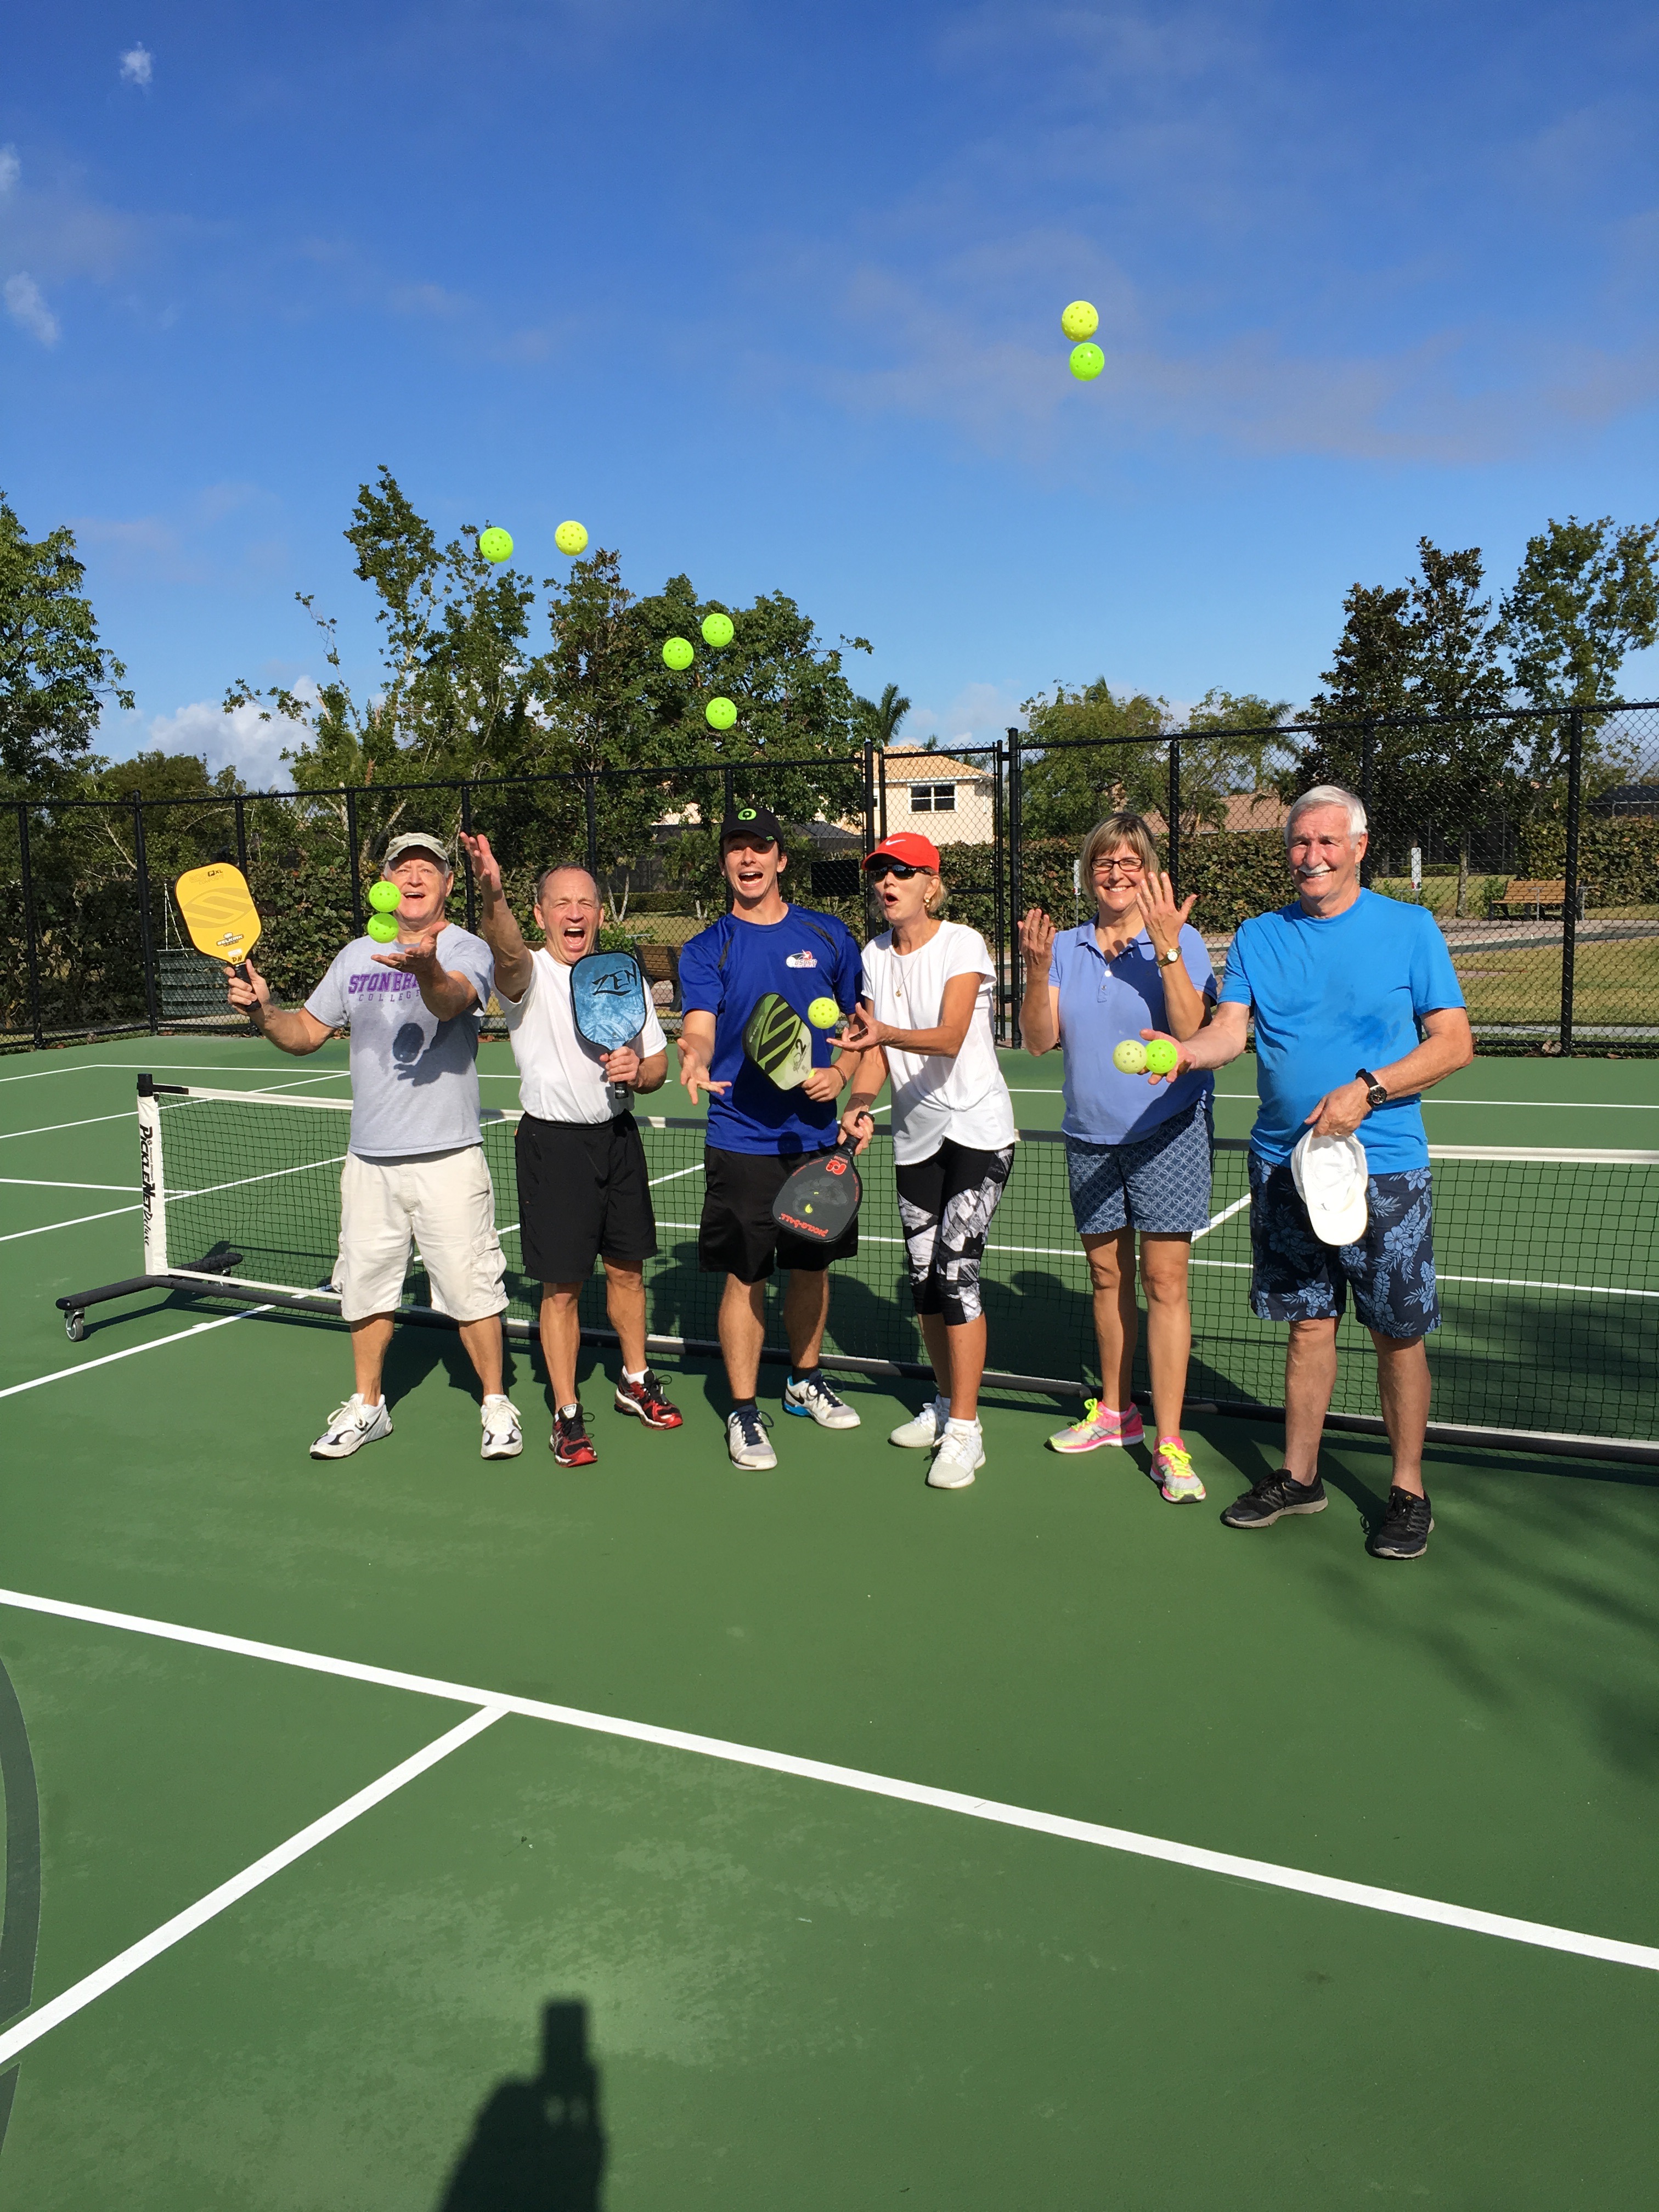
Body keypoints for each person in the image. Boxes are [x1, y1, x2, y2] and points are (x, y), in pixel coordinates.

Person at [1142, 785, 1473, 1560]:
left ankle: (1408, 1488)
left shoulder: (1411, 928)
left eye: (1328, 842)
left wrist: (1371, 1089)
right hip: (1281, 1167)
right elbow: (1226, 1032)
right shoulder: (1259, 936)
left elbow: (1454, 1043)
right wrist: (1184, 1054)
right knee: (1307, 1327)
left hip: (1382, 1169)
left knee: (1397, 1333)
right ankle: (1299, 1476)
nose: (1311, 856)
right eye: (1299, 843)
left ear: (1360, 846)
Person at [225, 831, 520, 1462]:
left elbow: (453, 1002)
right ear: (385, 881)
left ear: (446, 884)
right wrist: (262, 1011)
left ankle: (496, 1404)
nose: (414, 877)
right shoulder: (356, 954)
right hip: (369, 1161)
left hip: (448, 1156)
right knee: (366, 1288)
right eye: (402, 867)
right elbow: (305, 1033)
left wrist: (426, 968)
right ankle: (367, 1406)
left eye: (428, 869)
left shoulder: (464, 947)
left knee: (471, 1289)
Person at [459, 832, 682, 1467]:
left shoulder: (622, 975)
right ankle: (566, 1411)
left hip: (617, 1138)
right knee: (561, 1288)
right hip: (553, 1145)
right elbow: (502, 950)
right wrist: (492, 889)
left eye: (586, 902)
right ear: (541, 914)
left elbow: (659, 1063)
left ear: (601, 914)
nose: (575, 913)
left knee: (628, 1271)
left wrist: (638, 1070)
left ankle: (634, 1382)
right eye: (561, 903)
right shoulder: (524, 974)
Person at [1017, 812, 1216, 1501]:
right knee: (1108, 1281)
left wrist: (1164, 950)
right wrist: (1038, 969)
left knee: (1164, 1285)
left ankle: (1169, 1440)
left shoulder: (1182, 939)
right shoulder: (1067, 947)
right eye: (1105, 860)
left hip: (1168, 1132)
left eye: (1131, 861)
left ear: (1150, 868)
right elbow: (1039, 1041)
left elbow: (1192, 1032)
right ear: (1089, 871)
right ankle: (1115, 1413)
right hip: (1089, 1136)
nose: (1117, 872)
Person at [676, 804, 871, 1470]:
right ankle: (743, 1410)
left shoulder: (829, 935)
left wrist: (841, 1072)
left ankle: (804, 1379)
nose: (748, 859)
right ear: (727, 862)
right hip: (741, 1137)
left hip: (815, 1137)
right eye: (736, 849)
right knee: (747, 1274)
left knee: (811, 1269)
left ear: (783, 859)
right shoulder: (709, 947)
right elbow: (700, 1024)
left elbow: (859, 1026)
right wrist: (694, 1055)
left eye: (760, 848)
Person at [839, 832, 1017, 1490]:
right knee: (922, 1278)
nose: (888, 882)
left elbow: (947, 1035)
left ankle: (968, 1431)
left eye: (903, 872)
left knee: (956, 1273)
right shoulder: (872, 955)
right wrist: (861, 1101)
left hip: (977, 1130)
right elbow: (875, 1050)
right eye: (880, 872)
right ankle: (944, 1405)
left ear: (930, 885)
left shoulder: (962, 943)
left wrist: (882, 1032)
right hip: (914, 1135)